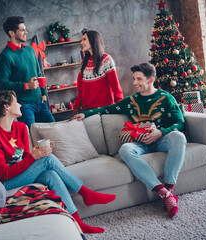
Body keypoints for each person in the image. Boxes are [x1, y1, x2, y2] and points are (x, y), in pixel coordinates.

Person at [0, 91, 116, 233]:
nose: (20, 104)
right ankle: (86, 193)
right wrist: (35, 157)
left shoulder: (21, 128)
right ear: (6, 107)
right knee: (48, 160)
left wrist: (39, 153)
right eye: (16, 102)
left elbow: (25, 157)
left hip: (19, 175)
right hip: (5, 183)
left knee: (50, 174)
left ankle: (77, 224)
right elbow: (4, 173)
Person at [71, 63, 186, 218]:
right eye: (133, 79)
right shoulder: (130, 101)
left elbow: (180, 122)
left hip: (161, 140)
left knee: (179, 137)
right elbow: (106, 109)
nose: (134, 83)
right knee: (125, 149)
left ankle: (169, 188)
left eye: (139, 79)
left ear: (150, 79)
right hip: (140, 144)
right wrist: (85, 114)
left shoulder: (166, 98)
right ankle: (162, 192)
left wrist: (161, 132)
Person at [0, 16, 54, 129]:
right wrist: (26, 86)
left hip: (41, 102)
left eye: (25, 29)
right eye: (22, 30)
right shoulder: (5, 56)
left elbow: (39, 74)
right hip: (24, 105)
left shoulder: (30, 50)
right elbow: (0, 85)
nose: (26, 32)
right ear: (12, 33)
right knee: (32, 135)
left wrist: (44, 93)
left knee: (54, 130)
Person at [73, 29, 123, 114]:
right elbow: (80, 90)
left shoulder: (106, 60)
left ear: (93, 40)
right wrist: (76, 107)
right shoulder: (84, 63)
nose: (81, 43)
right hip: (86, 111)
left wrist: (120, 107)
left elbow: (116, 87)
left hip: (104, 109)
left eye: (84, 39)